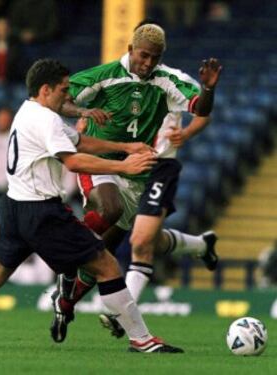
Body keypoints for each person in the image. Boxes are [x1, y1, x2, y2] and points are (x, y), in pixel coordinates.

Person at [0, 58, 184, 354]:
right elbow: (73, 161)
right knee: (107, 266)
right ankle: (141, 339)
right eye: (64, 89)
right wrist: (126, 167)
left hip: (12, 208)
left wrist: (126, 148)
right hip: (42, 213)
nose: (69, 96)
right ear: (46, 90)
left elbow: (80, 141)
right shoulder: (45, 120)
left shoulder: (29, 111)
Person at [54, 23, 222, 340]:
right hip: (102, 161)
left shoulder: (168, 80)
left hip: (143, 170)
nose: (147, 64)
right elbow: (60, 100)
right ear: (131, 49)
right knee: (112, 213)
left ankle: (66, 300)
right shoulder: (102, 76)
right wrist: (84, 110)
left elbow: (199, 108)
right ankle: (69, 262)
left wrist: (209, 90)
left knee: (119, 246)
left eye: (154, 59)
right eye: (143, 56)